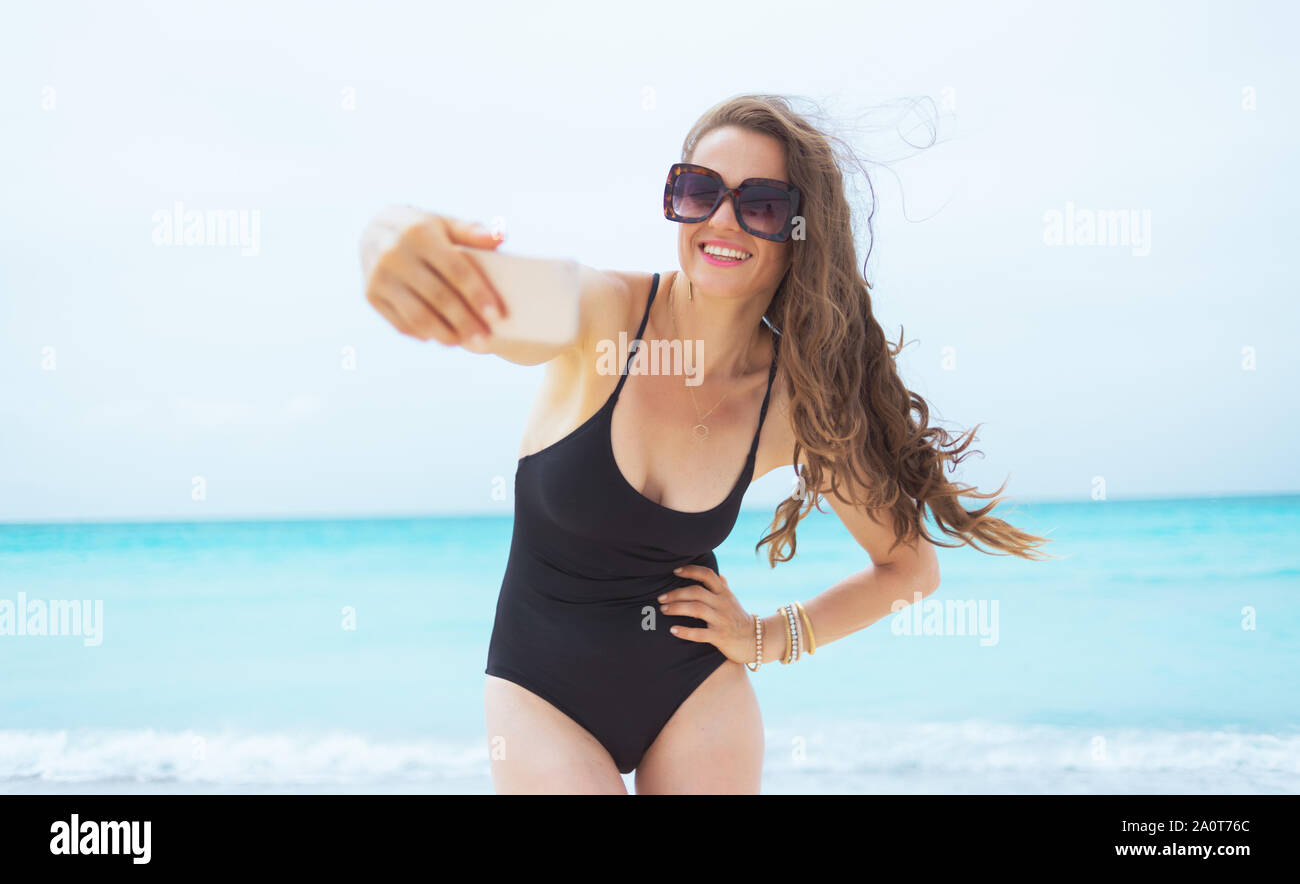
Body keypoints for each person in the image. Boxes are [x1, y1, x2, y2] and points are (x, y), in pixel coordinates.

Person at [360, 94, 1051, 794]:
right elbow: (483, 296)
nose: (722, 219)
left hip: (692, 689)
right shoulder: (604, 316)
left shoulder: (794, 402)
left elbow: (909, 569)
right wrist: (396, 236)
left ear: (800, 230)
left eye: (762, 204)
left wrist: (770, 637)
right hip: (540, 691)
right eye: (698, 191)